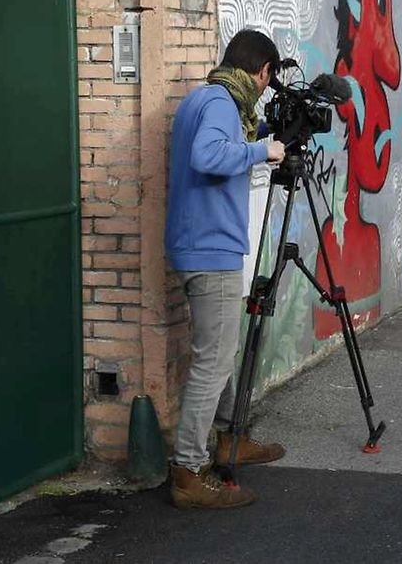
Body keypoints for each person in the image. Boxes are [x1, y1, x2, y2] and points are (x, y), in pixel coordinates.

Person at [165, 29, 288, 509]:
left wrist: (253, 142)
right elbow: (208, 156)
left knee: (220, 350)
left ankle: (227, 437)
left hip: (201, 243)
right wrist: (264, 150)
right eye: (267, 79)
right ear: (262, 71)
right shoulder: (220, 103)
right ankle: (189, 470)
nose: (265, 89)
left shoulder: (201, 100)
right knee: (213, 360)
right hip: (209, 248)